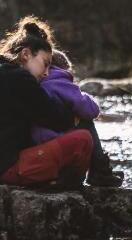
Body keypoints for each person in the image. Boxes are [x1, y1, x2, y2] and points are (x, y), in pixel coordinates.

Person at [0, 16, 93, 187]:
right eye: (45, 64)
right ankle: (73, 187)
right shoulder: (18, 78)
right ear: (26, 54)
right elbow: (56, 118)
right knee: (83, 139)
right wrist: (78, 112)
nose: (46, 73)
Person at [31, 50, 124, 187]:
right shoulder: (58, 81)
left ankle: (98, 171)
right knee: (85, 121)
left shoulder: (37, 83)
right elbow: (90, 109)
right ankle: (99, 171)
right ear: (62, 69)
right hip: (57, 147)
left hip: (40, 149)